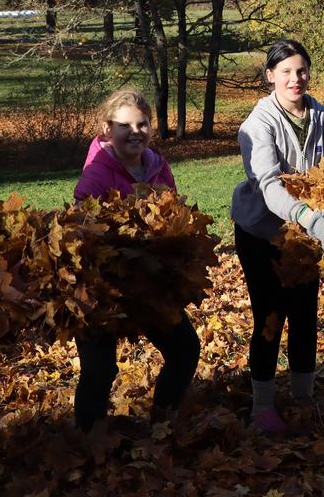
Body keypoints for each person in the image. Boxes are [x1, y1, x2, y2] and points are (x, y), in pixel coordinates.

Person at [230, 39, 324, 435]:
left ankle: (303, 396)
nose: (295, 79)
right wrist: (305, 216)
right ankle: (262, 406)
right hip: (262, 230)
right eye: (286, 72)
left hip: (306, 235)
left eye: (301, 71)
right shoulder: (257, 124)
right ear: (270, 76)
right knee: (270, 315)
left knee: (304, 314)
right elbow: (267, 183)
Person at [70, 88, 200, 432]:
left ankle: (162, 421)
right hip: (103, 288)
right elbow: (83, 228)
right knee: (99, 369)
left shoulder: (158, 167)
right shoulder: (97, 173)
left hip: (150, 283)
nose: (135, 132)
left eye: (142, 124)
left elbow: (174, 213)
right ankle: (89, 437)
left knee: (185, 349)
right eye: (125, 125)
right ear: (106, 129)